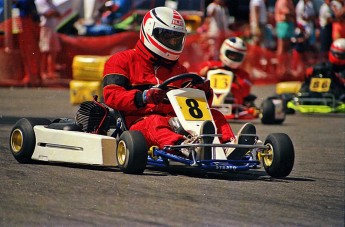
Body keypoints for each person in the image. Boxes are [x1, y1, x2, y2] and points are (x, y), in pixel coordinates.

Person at [102, 7, 255, 159]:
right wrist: (143, 97)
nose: (172, 42)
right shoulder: (121, 60)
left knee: (214, 115)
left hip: (177, 121)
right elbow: (111, 95)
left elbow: (198, 107)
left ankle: (228, 145)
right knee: (155, 122)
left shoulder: (180, 69)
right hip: (140, 122)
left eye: (176, 38)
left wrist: (203, 92)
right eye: (167, 37)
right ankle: (183, 148)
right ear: (150, 31)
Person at [198, 37, 254, 107]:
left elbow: (245, 92)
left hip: (233, 105)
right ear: (224, 51)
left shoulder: (243, 74)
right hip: (207, 101)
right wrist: (203, 74)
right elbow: (193, 81)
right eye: (232, 54)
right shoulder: (209, 65)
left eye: (237, 56)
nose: (234, 58)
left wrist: (236, 81)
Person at [14, 0, 41, 86]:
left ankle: (32, 77)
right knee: (28, 51)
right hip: (25, 21)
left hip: (28, 21)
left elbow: (23, 3)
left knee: (30, 51)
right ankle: (33, 76)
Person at [35, 0, 61, 80]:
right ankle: (43, 72)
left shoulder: (51, 3)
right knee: (45, 51)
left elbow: (58, 13)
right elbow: (47, 14)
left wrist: (53, 13)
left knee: (53, 51)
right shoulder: (40, 2)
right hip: (45, 28)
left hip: (53, 28)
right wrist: (53, 13)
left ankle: (50, 72)